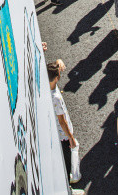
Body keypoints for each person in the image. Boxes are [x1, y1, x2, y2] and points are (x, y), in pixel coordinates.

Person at [48, 60, 83, 190]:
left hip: (55, 133)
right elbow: (62, 121)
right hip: (63, 136)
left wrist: (58, 63)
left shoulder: (47, 86)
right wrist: (71, 138)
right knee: (66, 163)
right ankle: (68, 187)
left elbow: (53, 66)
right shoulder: (55, 97)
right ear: (56, 78)